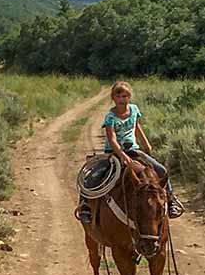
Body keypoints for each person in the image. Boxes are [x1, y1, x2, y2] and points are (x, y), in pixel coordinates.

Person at [77, 81, 184, 222]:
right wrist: (122, 155)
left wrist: (146, 144)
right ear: (113, 98)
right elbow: (112, 138)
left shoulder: (134, 110)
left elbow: (136, 127)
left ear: (130, 97)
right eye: (119, 96)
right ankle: (85, 205)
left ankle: (170, 200)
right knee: (93, 175)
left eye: (125, 96)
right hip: (114, 152)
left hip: (134, 150)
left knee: (161, 170)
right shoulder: (110, 116)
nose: (122, 99)